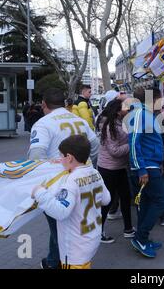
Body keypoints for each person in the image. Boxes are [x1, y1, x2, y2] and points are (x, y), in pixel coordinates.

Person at [28, 88, 100, 269]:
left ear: (43, 104)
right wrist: (87, 165)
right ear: (65, 104)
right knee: (69, 225)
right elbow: (95, 145)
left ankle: (55, 263)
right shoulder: (79, 120)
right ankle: (59, 260)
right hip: (84, 179)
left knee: (58, 226)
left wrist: (40, 182)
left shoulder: (43, 123)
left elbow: (36, 156)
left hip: (59, 185)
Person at [32, 135, 110, 269]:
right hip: (91, 238)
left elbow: (60, 211)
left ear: (69, 157)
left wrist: (39, 193)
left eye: (61, 156)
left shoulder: (71, 181)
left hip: (74, 247)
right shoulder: (94, 173)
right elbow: (106, 199)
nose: (60, 159)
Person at [128, 87, 164, 258]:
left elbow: (151, 142)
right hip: (146, 167)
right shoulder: (139, 114)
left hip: (152, 165)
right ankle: (141, 238)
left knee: (146, 202)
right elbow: (134, 142)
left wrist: (159, 163)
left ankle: (141, 238)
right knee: (161, 200)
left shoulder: (148, 114)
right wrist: (141, 169)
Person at [97, 99, 135, 243]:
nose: (128, 110)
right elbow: (114, 151)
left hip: (119, 167)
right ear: (118, 111)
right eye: (126, 108)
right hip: (109, 169)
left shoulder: (118, 122)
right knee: (107, 201)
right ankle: (98, 232)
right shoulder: (109, 125)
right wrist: (131, 144)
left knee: (125, 197)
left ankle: (128, 229)